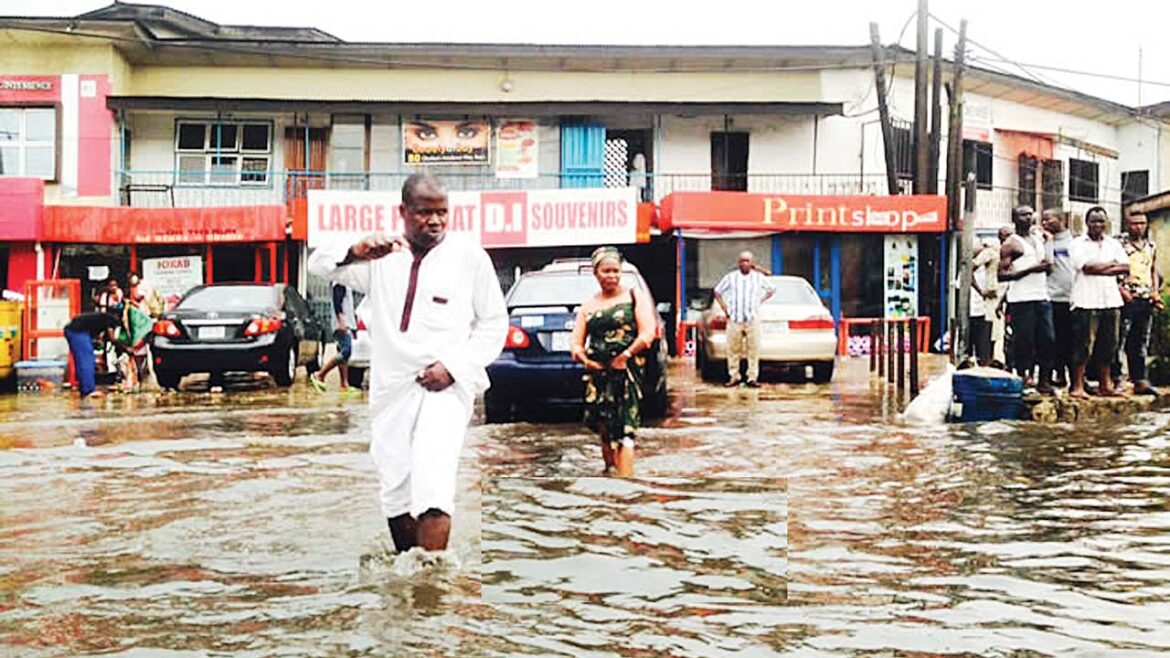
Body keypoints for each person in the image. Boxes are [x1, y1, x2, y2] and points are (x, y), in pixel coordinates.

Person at [307, 173, 507, 553]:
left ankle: (433, 579)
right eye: (424, 213)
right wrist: (356, 250)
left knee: (433, 485)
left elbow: (494, 323)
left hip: (446, 387)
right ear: (402, 211)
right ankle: (409, 570)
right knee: (395, 489)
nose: (435, 221)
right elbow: (319, 264)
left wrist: (453, 368)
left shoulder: (469, 257)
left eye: (442, 212)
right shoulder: (381, 257)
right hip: (391, 387)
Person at [569, 246, 657, 477]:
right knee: (604, 426)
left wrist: (625, 356)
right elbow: (576, 344)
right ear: (596, 273)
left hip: (627, 371)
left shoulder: (634, 297)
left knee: (626, 428)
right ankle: (610, 472)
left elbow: (648, 333)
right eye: (606, 271)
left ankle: (625, 484)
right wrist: (586, 361)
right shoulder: (588, 305)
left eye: (615, 271)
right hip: (598, 373)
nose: (612, 276)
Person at [1068, 207, 1129, 399]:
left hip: (1110, 300)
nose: (1097, 225)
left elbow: (1125, 267)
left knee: (1109, 345)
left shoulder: (1113, 243)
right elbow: (1086, 267)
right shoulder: (1077, 243)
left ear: (1106, 223)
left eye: (1101, 221)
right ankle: (1077, 386)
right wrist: (1111, 265)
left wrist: (1100, 267)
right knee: (1083, 345)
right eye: (1093, 221)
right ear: (1087, 223)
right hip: (1085, 300)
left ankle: (1105, 385)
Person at [998, 205, 1055, 393]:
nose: (1028, 218)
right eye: (1023, 215)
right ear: (1015, 218)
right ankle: (1023, 378)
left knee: (1048, 339)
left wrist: (1049, 247)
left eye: (1030, 214)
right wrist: (1031, 269)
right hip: (1021, 299)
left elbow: (1047, 266)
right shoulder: (1011, 244)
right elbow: (1001, 275)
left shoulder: (1038, 239)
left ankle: (1044, 381)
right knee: (1024, 341)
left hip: (1042, 295)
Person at [1115, 212, 1162, 395]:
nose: (1139, 227)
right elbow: (1112, 269)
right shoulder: (1119, 244)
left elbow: (1153, 269)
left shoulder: (1150, 245)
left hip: (1145, 297)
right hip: (1126, 297)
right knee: (1120, 339)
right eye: (1135, 224)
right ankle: (1117, 378)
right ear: (1127, 225)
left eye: (1142, 223)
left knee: (1141, 340)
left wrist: (1155, 291)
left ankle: (1139, 379)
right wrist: (1120, 288)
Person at [713, 251, 775, 387]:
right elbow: (717, 291)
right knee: (733, 350)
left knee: (753, 350)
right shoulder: (731, 277)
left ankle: (752, 377)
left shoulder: (758, 277)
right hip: (735, 319)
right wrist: (725, 308)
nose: (745, 263)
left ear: (752, 263)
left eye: (747, 261)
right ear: (738, 263)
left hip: (752, 318)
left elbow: (771, 289)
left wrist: (759, 301)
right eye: (742, 261)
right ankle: (734, 376)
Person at [1042, 208, 1075, 387]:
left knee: (1069, 340)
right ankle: (1051, 375)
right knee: (1050, 340)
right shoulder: (1044, 241)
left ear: (1060, 220)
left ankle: (1069, 376)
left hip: (1071, 298)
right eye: (1043, 220)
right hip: (1050, 297)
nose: (1044, 223)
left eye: (1049, 219)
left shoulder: (1074, 242)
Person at [64, 310, 125, 398]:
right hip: (78, 331)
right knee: (86, 361)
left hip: (74, 330)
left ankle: (84, 388)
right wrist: (123, 346)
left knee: (82, 361)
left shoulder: (103, 318)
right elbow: (112, 338)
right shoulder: (112, 320)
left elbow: (101, 336)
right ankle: (88, 390)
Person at [310, 283, 358, 392]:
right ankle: (320, 374)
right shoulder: (340, 282)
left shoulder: (345, 283)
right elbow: (337, 302)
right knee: (346, 352)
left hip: (346, 323)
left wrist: (353, 326)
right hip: (342, 324)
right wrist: (341, 321)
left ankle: (344, 384)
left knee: (343, 355)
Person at [968, 240, 997, 366]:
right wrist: (981, 292)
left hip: (987, 306)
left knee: (992, 336)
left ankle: (987, 362)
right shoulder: (987, 256)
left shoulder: (989, 268)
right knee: (982, 338)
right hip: (975, 309)